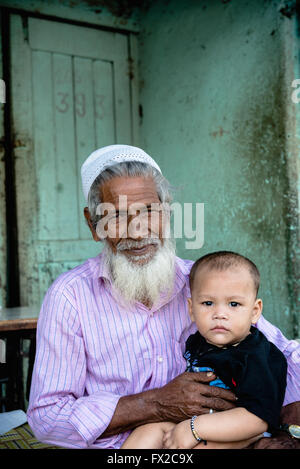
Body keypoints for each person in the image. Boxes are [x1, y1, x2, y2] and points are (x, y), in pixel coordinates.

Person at [27, 145, 300, 449]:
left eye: (149, 211)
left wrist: (282, 428)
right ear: (94, 225)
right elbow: (47, 418)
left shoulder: (202, 283)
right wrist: (154, 404)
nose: (138, 230)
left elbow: (285, 355)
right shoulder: (71, 296)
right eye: (117, 216)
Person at [121, 251, 287, 449]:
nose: (219, 314)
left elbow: (257, 420)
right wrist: (190, 428)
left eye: (234, 304)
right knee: (149, 431)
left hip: (243, 434)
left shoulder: (255, 356)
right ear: (192, 310)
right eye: (208, 303)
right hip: (195, 425)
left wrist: (194, 428)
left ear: (255, 311)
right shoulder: (197, 342)